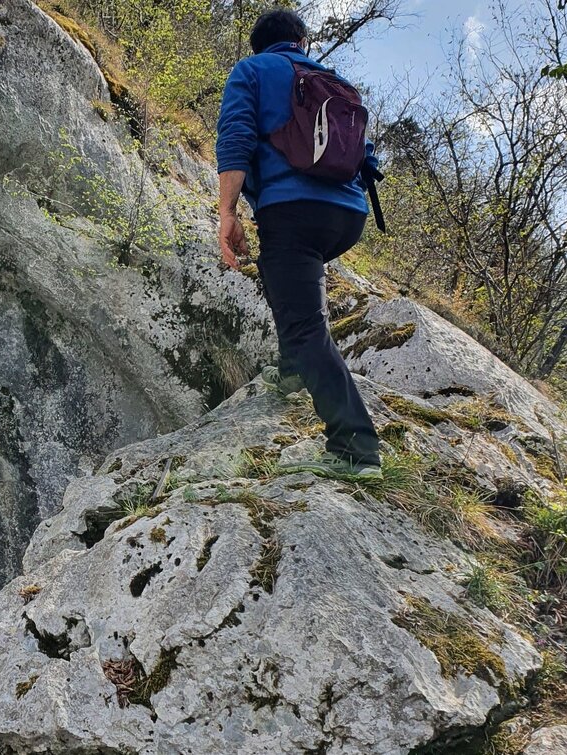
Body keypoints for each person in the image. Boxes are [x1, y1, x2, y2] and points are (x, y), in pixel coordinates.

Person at [215, 8, 382, 478]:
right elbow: (366, 156)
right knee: (283, 273)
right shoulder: (336, 80)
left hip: (292, 210)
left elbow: (235, 138)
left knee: (305, 325)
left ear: (259, 45)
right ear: (301, 42)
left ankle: (356, 448)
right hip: (349, 216)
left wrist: (228, 212)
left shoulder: (252, 70)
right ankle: (292, 368)